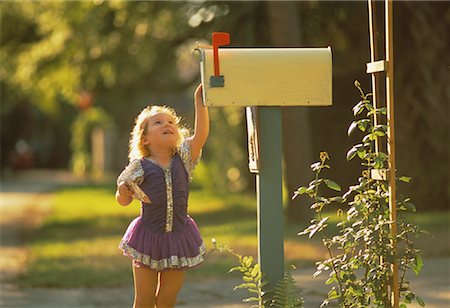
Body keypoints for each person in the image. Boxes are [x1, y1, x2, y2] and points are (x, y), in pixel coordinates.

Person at [115, 84, 208, 308]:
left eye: (171, 122)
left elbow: (201, 134)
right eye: (158, 122)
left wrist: (200, 100)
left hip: (178, 236)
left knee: (167, 300)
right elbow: (123, 200)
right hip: (148, 236)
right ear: (145, 139)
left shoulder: (184, 156)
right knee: (144, 300)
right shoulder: (139, 166)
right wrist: (123, 192)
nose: (167, 124)